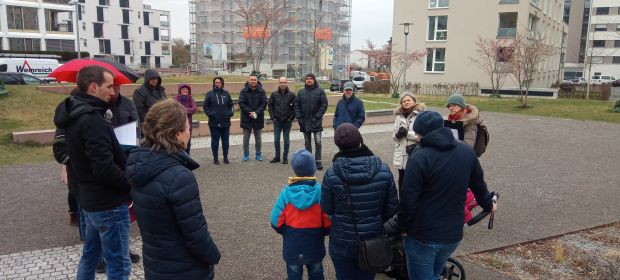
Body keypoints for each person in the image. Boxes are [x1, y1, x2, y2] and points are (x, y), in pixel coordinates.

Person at [394, 111, 497, 280]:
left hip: (422, 235)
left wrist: (402, 228)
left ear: (420, 133)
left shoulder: (419, 157)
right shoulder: (466, 151)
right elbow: (479, 187)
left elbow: (408, 200)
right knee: (435, 273)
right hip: (452, 235)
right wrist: (489, 205)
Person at [125, 100, 221, 279]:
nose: (189, 132)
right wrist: (214, 256)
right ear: (176, 134)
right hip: (185, 269)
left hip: (156, 265)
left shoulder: (139, 166)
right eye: (187, 128)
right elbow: (196, 235)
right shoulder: (179, 176)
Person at [53, 65, 132, 280]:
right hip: (108, 203)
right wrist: (130, 184)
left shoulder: (75, 114)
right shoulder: (91, 120)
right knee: (119, 263)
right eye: (108, 87)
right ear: (93, 87)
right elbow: (104, 168)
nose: (113, 91)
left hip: (89, 199)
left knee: (90, 255)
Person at [321, 123, 399, 280]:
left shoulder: (331, 174)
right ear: (360, 140)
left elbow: (327, 209)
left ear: (338, 144)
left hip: (342, 240)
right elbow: (392, 209)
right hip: (373, 239)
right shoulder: (383, 170)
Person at [270, 149, 331, 280]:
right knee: (317, 275)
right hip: (314, 244)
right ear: (314, 169)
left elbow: (275, 221)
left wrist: (287, 231)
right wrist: (322, 231)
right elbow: (328, 220)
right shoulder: (320, 192)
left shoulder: (285, 194)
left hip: (292, 245)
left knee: (293, 276)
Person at [392, 92, 426, 191]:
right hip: (400, 154)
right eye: (404, 101)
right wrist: (397, 135)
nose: (406, 102)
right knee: (401, 181)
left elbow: (422, 136)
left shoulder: (421, 115)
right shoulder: (399, 116)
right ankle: (402, 203)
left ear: (414, 101)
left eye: (408, 100)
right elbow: (394, 136)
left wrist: (407, 133)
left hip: (414, 153)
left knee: (414, 181)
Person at [295, 74, 328, 170]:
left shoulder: (320, 91)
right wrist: (299, 117)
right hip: (304, 121)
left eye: (311, 79)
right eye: (307, 79)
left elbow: (324, 105)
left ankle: (318, 161)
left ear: (314, 80)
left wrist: (317, 116)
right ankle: (309, 160)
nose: (309, 80)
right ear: (305, 80)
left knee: (318, 141)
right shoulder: (301, 92)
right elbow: (297, 105)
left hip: (316, 121)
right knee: (307, 142)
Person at [204, 77, 233, 164]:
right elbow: (205, 106)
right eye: (216, 82)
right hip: (214, 122)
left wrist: (230, 113)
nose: (217, 84)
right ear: (213, 83)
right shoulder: (209, 94)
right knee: (215, 141)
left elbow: (231, 105)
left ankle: (225, 157)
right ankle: (215, 158)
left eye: (219, 82)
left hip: (225, 122)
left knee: (225, 141)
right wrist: (210, 114)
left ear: (222, 83)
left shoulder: (226, 94)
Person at [239, 74, 268, 161]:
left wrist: (256, 113)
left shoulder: (262, 91)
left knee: (258, 138)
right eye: (251, 80)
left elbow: (264, 104)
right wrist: (250, 112)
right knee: (246, 138)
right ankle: (246, 154)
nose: (253, 81)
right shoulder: (243, 91)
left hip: (258, 118)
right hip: (246, 118)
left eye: (254, 80)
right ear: (248, 81)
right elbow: (241, 103)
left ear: (257, 81)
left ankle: (258, 154)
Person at [268, 77, 296, 164]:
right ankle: (277, 156)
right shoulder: (274, 94)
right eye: (281, 82)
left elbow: (295, 107)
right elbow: (270, 106)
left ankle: (285, 157)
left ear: (286, 83)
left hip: (287, 121)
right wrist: (273, 118)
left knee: (286, 140)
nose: (283, 84)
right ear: (279, 83)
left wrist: (291, 118)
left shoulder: (292, 94)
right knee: (276, 139)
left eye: (284, 82)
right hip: (277, 121)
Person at [173, 84, 197, 154]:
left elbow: (194, 109)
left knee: (188, 144)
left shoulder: (191, 99)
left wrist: (182, 109)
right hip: (178, 125)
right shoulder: (175, 99)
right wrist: (187, 110)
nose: (185, 91)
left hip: (188, 126)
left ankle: (187, 158)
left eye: (186, 90)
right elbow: (175, 109)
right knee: (178, 143)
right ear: (180, 90)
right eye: (183, 89)